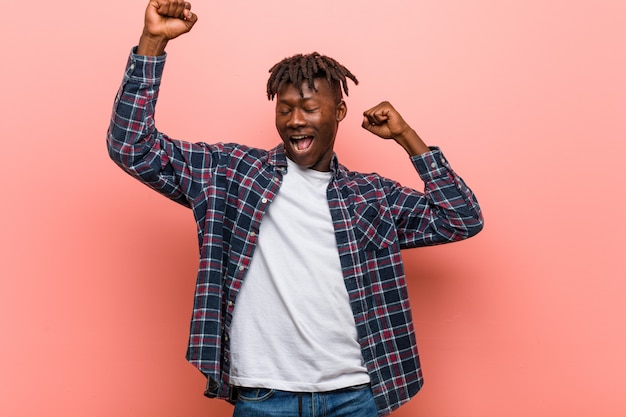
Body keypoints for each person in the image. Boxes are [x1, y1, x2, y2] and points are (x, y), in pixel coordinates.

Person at [107, 1, 484, 416]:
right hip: (264, 397)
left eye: (309, 108)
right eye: (284, 109)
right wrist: (154, 41)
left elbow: (460, 218)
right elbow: (132, 147)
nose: (295, 120)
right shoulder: (233, 175)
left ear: (339, 112)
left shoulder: (370, 196)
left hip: (355, 396)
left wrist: (408, 137)